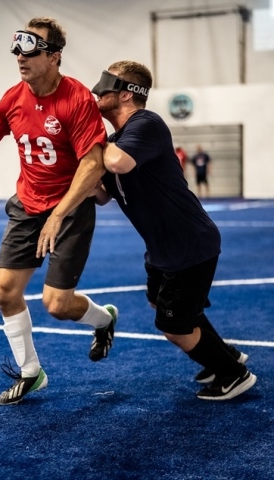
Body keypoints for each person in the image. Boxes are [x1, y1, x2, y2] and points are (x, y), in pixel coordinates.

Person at [0, 17, 118, 406]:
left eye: (31, 49)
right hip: (28, 206)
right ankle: (32, 373)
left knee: (58, 305)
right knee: (4, 291)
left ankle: (105, 320)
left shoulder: (78, 100)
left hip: (71, 209)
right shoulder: (13, 98)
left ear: (54, 57)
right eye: (17, 48)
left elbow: (92, 165)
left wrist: (60, 213)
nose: (20, 56)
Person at [90, 60, 256, 401]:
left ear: (126, 93)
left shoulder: (145, 124)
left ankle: (233, 374)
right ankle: (225, 355)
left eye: (106, 85)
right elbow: (104, 195)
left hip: (187, 246)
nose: (97, 91)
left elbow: (118, 163)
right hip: (163, 249)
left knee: (174, 327)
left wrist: (85, 137)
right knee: (159, 302)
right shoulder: (115, 140)